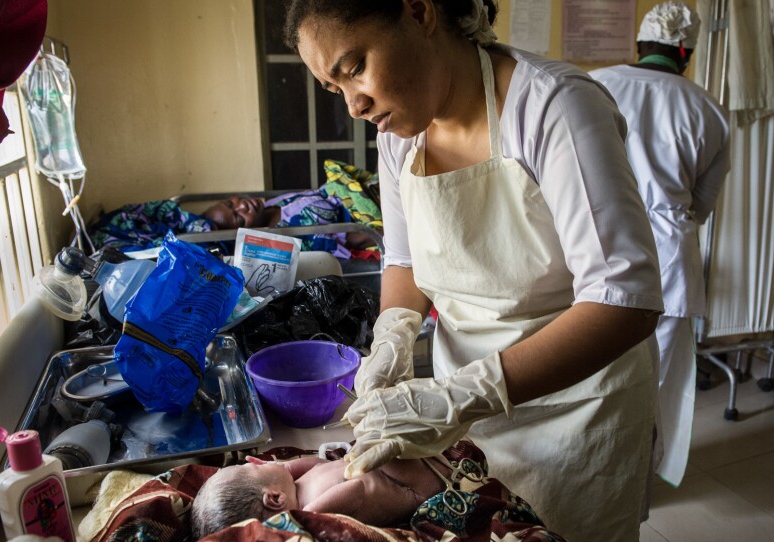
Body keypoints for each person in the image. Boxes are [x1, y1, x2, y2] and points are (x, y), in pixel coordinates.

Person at [284, 1, 664, 540]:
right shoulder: (397, 138)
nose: (354, 104)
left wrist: (464, 394)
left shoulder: (553, 107)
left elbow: (626, 299)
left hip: (578, 411)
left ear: (418, 13)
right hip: (464, 420)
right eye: (334, 88)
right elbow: (405, 260)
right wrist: (392, 337)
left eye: (356, 68)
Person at [590, 1, 731, 489]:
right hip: (671, 258)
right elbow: (702, 204)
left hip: (597, 249)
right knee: (662, 379)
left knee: (596, 371)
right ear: (685, 51)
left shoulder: (594, 84)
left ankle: (593, 471)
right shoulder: (709, 110)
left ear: (640, 45)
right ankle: (643, 480)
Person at [191, 451, 452, 538]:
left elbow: (319, 462)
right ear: (275, 498)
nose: (256, 460)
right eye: (252, 466)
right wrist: (308, 515)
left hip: (394, 470)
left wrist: (287, 467)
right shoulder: (312, 513)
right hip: (415, 487)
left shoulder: (296, 484)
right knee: (380, 434)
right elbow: (356, 489)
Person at [88, 189, 376, 256]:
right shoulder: (285, 235)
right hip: (366, 218)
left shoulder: (272, 205)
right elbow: (356, 238)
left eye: (230, 202)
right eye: (239, 216)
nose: (243, 205)